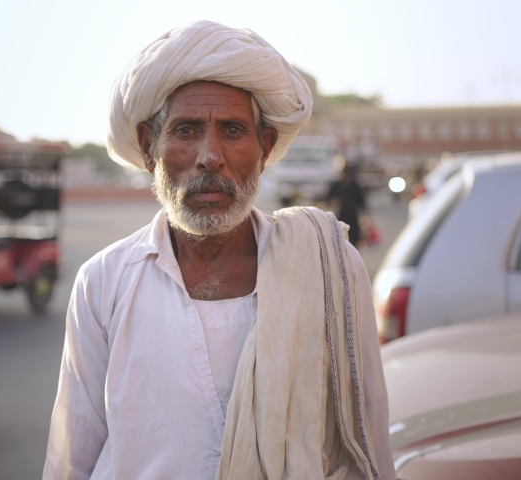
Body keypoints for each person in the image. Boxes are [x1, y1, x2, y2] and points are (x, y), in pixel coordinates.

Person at [44, 21, 395, 480]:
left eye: (232, 130)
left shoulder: (330, 269)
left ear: (265, 148)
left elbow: (369, 437)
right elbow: (72, 454)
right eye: (187, 130)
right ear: (150, 147)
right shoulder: (103, 282)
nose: (210, 156)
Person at [327, 164, 368, 246]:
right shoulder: (337, 186)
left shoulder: (354, 186)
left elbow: (362, 203)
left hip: (353, 218)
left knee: (353, 241)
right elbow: (329, 198)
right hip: (341, 216)